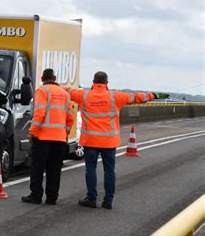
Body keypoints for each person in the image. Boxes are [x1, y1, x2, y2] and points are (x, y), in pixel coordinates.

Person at [67, 71, 169, 209]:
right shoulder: (116, 96)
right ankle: (108, 201)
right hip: (109, 142)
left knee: (90, 169)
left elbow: (66, 92)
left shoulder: (83, 95)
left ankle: (91, 198)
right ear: (107, 83)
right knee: (109, 171)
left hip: (90, 141)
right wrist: (156, 95)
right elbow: (138, 97)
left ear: (93, 82)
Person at [21, 69, 74, 205]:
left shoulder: (42, 91)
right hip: (59, 139)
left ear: (42, 78)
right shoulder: (65, 94)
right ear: (54, 78)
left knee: (37, 167)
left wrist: (32, 132)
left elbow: (39, 113)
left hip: (43, 137)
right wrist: (65, 133)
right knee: (55, 169)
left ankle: (36, 196)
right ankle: (52, 198)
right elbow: (70, 118)